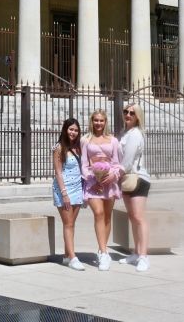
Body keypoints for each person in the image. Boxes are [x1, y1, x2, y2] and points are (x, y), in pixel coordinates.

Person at [81, 109, 122, 271]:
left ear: (106, 122)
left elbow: (118, 163)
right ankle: (104, 253)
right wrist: (93, 180)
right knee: (98, 213)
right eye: (96, 120)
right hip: (93, 183)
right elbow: (83, 164)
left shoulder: (113, 140)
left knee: (107, 217)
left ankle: (101, 248)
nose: (98, 123)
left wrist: (113, 175)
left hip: (109, 182)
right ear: (92, 121)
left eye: (101, 120)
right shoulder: (85, 140)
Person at [118, 103, 152, 272]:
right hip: (127, 178)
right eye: (126, 112)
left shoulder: (136, 134)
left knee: (139, 217)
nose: (128, 115)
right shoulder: (125, 133)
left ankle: (144, 256)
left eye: (132, 113)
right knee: (132, 217)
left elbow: (128, 159)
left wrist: (116, 174)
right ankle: (136, 252)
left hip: (137, 178)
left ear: (138, 116)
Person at [52, 118, 85, 271]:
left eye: (76, 130)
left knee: (72, 223)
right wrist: (64, 194)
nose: (73, 132)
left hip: (78, 188)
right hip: (63, 189)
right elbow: (58, 172)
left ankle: (66, 255)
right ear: (65, 130)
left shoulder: (79, 147)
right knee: (68, 224)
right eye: (70, 129)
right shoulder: (59, 148)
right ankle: (73, 258)